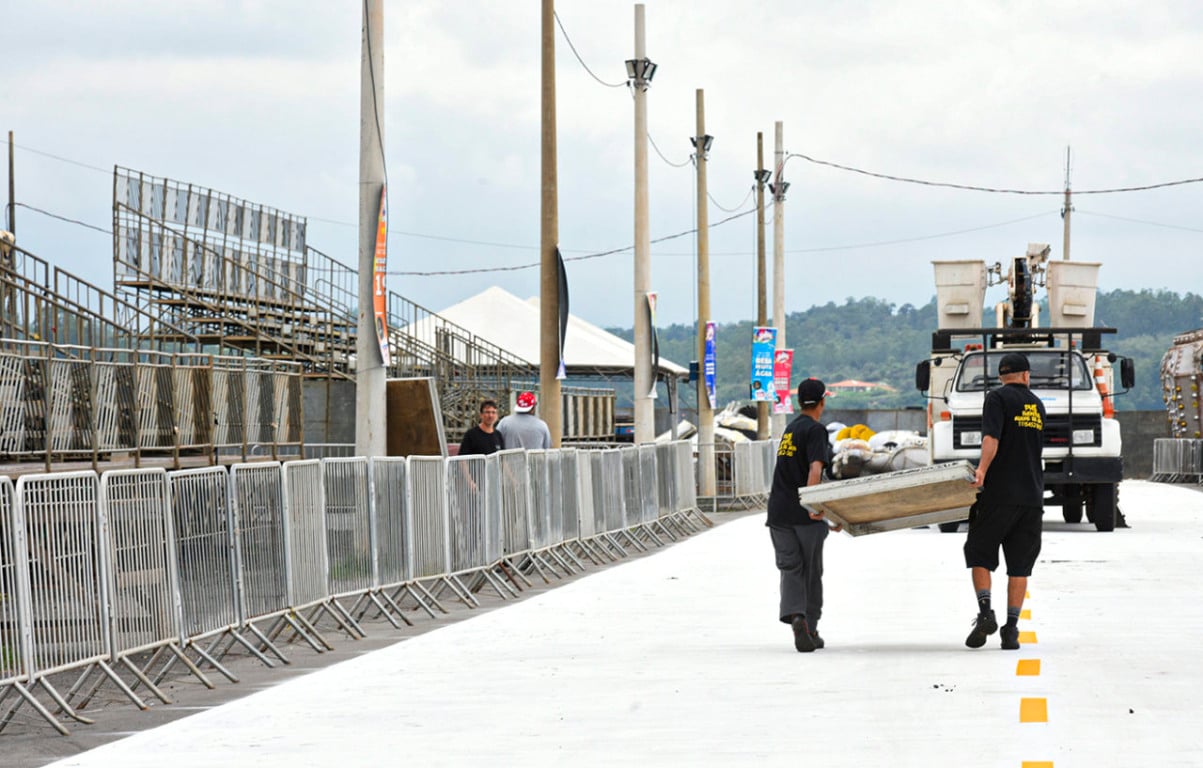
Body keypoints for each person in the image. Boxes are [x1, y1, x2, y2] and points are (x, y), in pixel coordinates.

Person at [964, 352, 1047, 651]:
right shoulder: (1037, 405)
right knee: (1020, 567)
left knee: (978, 552)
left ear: (1001, 376)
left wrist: (982, 470)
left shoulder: (996, 398)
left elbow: (992, 439)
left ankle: (986, 612)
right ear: (1026, 375)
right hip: (1032, 496)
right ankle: (1011, 630)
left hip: (999, 494)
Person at [766, 377, 837, 653]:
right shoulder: (816, 430)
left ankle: (796, 616)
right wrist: (816, 509)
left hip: (778, 513)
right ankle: (811, 627)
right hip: (803, 516)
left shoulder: (790, 429)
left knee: (790, 568)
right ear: (822, 402)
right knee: (811, 572)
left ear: (799, 402)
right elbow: (814, 471)